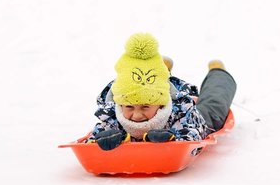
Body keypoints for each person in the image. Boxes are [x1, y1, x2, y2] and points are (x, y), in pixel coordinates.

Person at [85, 33, 236, 151]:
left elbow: (194, 134)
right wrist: (103, 139)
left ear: (160, 105)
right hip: (153, 88)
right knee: (142, 80)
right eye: (129, 107)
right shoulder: (114, 112)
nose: (136, 115)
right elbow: (94, 137)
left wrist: (172, 138)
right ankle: (159, 68)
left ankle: (218, 71)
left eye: (145, 107)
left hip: (190, 113)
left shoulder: (182, 112)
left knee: (214, 104)